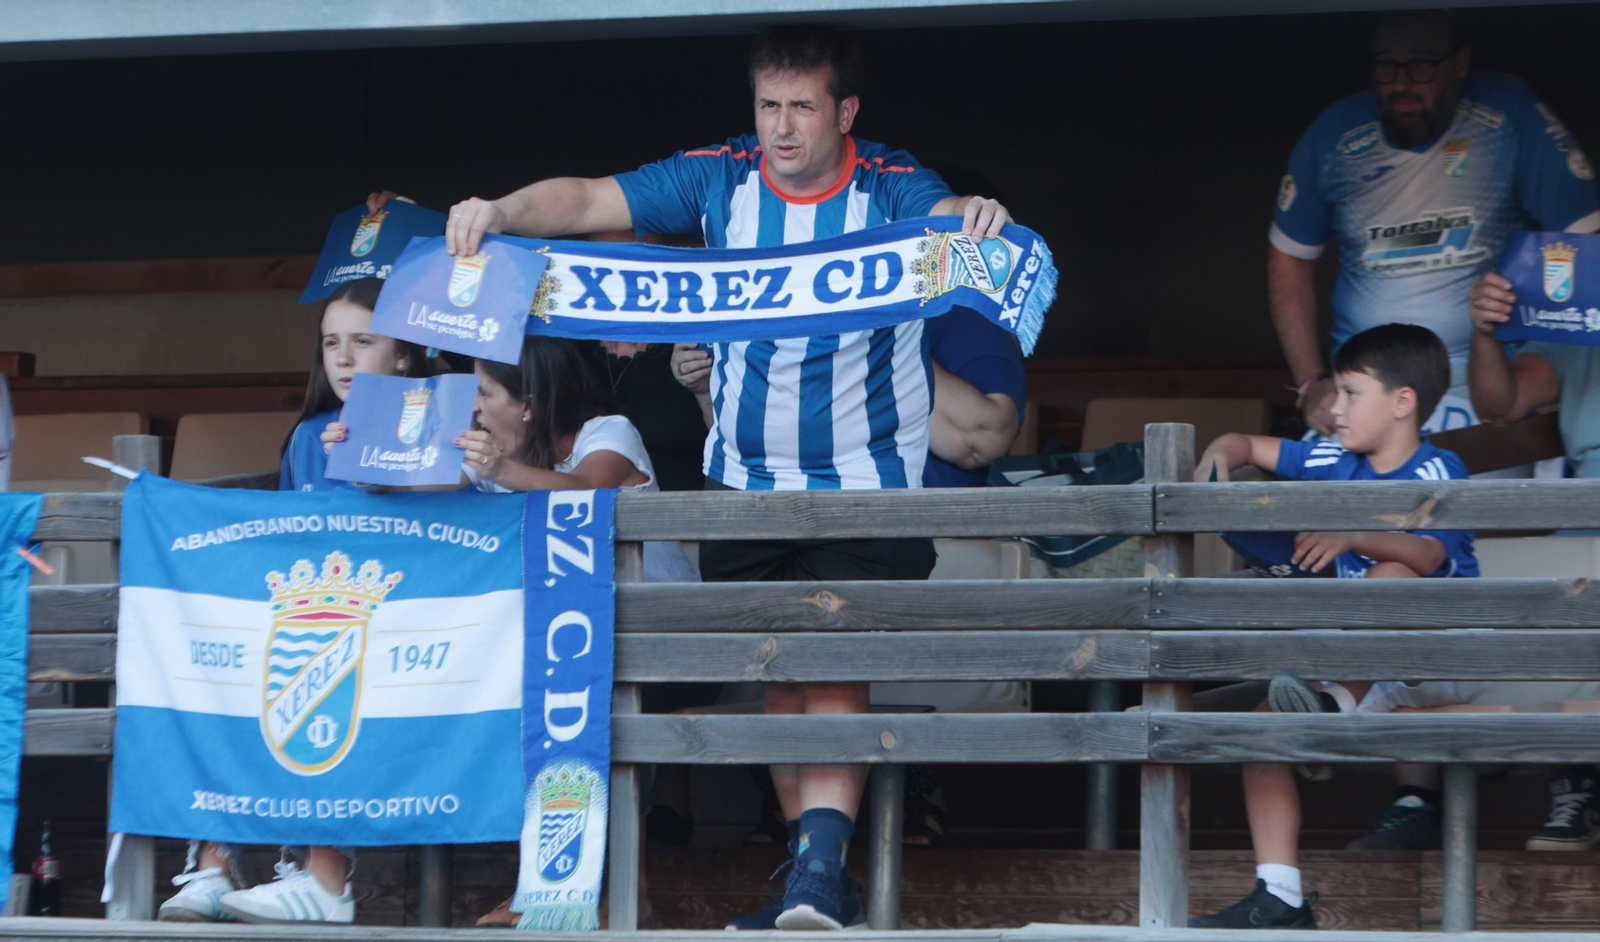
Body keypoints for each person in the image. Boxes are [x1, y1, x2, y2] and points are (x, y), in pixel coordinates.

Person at [371, 24, 1011, 931]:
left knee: (834, 669)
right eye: (768, 106)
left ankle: (820, 872)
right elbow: (591, 197)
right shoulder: (722, 173)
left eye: (802, 107)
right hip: (742, 481)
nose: (783, 128)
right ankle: (812, 878)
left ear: (846, 112)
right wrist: (502, 212)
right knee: (779, 676)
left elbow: (947, 218)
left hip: (866, 478)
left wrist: (973, 215)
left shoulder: (891, 183)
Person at [1189, 323, 1479, 929]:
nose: (1334, 407)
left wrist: (1352, 535)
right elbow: (1246, 443)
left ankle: (1333, 702)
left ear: (1403, 403)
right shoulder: (1326, 456)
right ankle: (1280, 894)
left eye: (1350, 393)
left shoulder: (1436, 468)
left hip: (1441, 656)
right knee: (1262, 731)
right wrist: (1220, 453)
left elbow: (1428, 555)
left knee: (1392, 577)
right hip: (1359, 662)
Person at [158, 278, 429, 925]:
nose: (343, 357)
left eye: (363, 341)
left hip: (407, 622)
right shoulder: (310, 435)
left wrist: (377, 467)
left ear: (404, 357)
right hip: (316, 611)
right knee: (222, 668)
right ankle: (213, 864)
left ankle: (326, 880)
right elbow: (285, 545)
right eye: (331, 343)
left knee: (336, 677)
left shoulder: (437, 418)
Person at [1268, 9, 1599, 438]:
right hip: (1364, 388)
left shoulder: (1506, 113)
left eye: (1421, 65)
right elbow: (1289, 256)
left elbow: (1586, 238)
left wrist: (1541, 366)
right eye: (1386, 67)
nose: (1402, 83)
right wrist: (1311, 383)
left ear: (1459, 64)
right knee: (1335, 499)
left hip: (1478, 385)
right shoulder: (1336, 135)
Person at [1454, 269, 1600, 850]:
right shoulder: (1584, 311)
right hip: (1586, 518)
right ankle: (1573, 778)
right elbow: (1501, 402)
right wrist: (1486, 331)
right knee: (1536, 590)